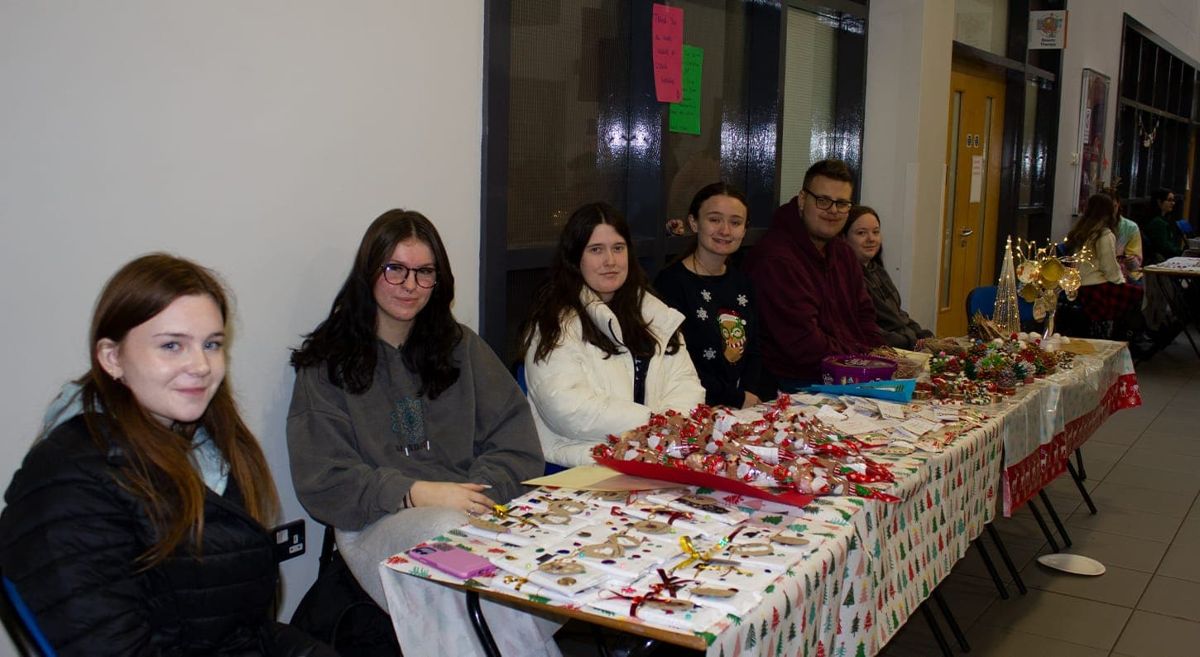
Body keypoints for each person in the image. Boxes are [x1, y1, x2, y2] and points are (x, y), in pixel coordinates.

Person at [0, 254, 335, 657]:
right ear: (112, 358)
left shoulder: (205, 447)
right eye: (172, 345)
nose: (201, 365)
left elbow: (239, 629)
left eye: (211, 344)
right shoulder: (69, 483)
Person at [286, 210, 551, 656]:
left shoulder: (461, 347)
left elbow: (517, 444)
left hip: (473, 509)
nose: (409, 285)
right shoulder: (327, 362)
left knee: (536, 562)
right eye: (395, 269)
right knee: (450, 545)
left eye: (424, 272)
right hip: (373, 522)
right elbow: (324, 481)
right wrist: (416, 493)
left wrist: (472, 493)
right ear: (369, 271)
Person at [521, 202, 705, 467]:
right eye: (596, 250)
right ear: (575, 259)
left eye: (618, 248)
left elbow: (686, 385)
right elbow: (567, 408)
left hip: (657, 456)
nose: (610, 261)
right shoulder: (554, 322)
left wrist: (665, 433)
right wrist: (656, 423)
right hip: (581, 465)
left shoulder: (656, 314)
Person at [745, 159, 882, 390]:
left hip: (849, 374)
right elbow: (804, 346)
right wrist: (860, 358)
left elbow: (865, 315)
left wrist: (876, 357)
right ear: (802, 199)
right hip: (796, 385)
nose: (833, 211)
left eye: (841, 204)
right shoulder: (775, 259)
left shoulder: (843, 253)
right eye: (823, 200)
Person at [654, 182, 763, 408]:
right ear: (694, 223)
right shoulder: (670, 284)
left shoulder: (743, 282)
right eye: (714, 219)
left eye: (735, 222)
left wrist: (748, 394)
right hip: (691, 406)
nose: (725, 230)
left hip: (742, 407)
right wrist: (735, 398)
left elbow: (754, 348)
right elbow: (676, 361)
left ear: (744, 229)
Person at [841, 205, 934, 349]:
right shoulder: (846, 278)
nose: (871, 239)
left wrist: (922, 335)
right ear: (844, 238)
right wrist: (912, 341)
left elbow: (898, 315)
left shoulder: (877, 270)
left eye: (876, 232)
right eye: (861, 233)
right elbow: (870, 331)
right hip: (884, 351)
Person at [1066, 194, 1145, 339]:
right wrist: (1121, 281)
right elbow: (1109, 268)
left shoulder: (1081, 232)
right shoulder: (1104, 235)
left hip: (1080, 286)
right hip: (1096, 287)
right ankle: (1127, 335)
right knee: (1138, 294)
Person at [1101, 190, 1144, 284]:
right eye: (1107, 208)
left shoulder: (1130, 228)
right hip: (1102, 275)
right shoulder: (1096, 227)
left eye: (1114, 206)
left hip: (1127, 275)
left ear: (1118, 204)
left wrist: (1131, 260)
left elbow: (1136, 266)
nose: (1111, 212)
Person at [1142, 188, 1185, 264]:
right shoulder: (1158, 223)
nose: (1173, 203)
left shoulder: (1160, 220)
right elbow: (1164, 247)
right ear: (1159, 202)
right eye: (1169, 200)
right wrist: (1182, 252)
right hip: (1161, 261)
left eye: (1173, 200)